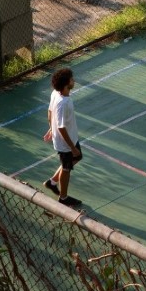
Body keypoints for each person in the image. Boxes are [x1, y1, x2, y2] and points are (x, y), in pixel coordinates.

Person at [42, 68, 83, 207]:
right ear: (66, 84)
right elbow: (60, 127)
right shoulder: (62, 103)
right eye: (71, 79)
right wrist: (71, 147)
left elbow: (49, 112)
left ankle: (52, 182)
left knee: (77, 157)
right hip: (65, 143)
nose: (74, 80)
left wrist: (50, 127)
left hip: (71, 137)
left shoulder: (56, 94)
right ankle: (63, 198)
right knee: (67, 168)